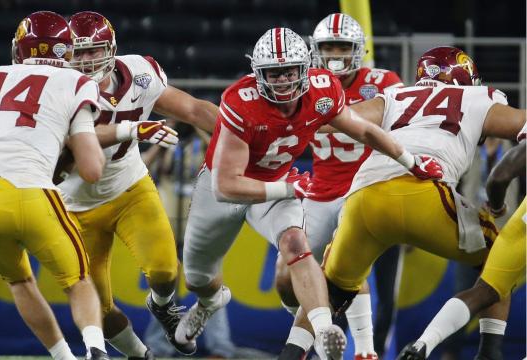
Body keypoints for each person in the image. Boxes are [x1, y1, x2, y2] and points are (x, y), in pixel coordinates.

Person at [172, 27, 442, 360]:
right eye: (274, 73)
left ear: (307, 67)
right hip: (226, 187)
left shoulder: (324, 89)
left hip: (282, 181)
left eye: (290, 71)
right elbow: (226, 186)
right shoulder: (241, 101)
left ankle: (325, 327)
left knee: (295, 245)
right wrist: (289, 187)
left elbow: (366, 130)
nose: (283, 80)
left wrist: (412, 162)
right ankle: (210, 301)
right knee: (197, 276)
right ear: (258, 74)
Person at [313, 46, 525, 359]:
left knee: (325, 296)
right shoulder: (478, 98)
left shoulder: (395, 96)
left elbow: (334, 118)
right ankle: (488, 352)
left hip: (364, 196)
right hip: (425, 191)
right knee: (496, 269)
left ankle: (296, 348)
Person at [56, 11, 218, 359]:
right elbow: (74, 140)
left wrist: (240, 131)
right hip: (74, 205)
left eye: (93, 50)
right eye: (77, 52)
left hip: (129, 188)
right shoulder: (57, 86)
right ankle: (140, 355)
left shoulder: (140, 75)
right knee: (97, 309)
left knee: (164, 269)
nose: (85, 61)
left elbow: (190, 108)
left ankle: (162, 307)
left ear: (111, 49)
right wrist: (132, 129)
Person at [0, 11, 110, 360]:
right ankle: (96, 351)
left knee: (19, 282)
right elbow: (91, 169)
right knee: (78, 280)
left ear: (19, 48)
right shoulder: (76, 83)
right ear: (67, 52)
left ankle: (63, 358)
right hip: (31, 192)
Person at [274, 13, 404, 360]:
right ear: (315, 50)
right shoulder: (301, 82)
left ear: (357, 50)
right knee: (286, 277)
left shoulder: (383, 81)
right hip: (320, 191)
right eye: (328, 46)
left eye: (342, 46)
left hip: (368, 190)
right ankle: (313, 328)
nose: (334, 53)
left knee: (350, 263)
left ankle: (365, 352)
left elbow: (396, 123)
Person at [397, 125, 526, 360]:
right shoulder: (472, 152)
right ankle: (470, 352)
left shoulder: (504, 147)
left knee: (485, 290)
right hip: (478, 227)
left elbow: (499, 178)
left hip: (517, 225)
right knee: (488, 289)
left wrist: (498, 207)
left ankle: (423, 344)